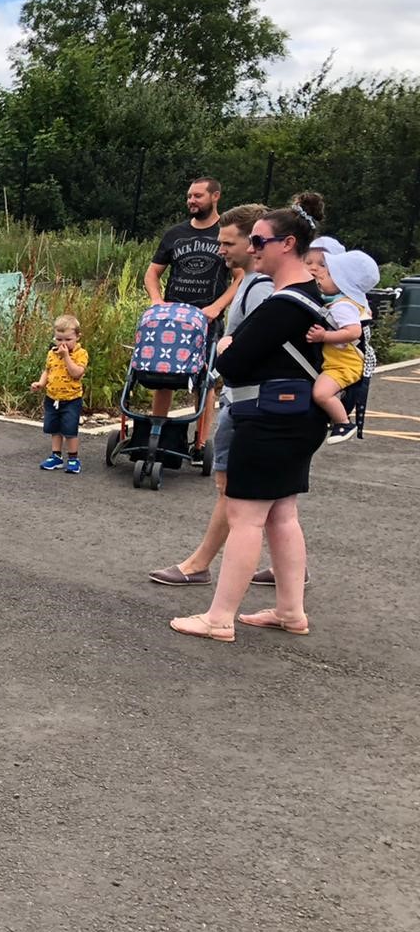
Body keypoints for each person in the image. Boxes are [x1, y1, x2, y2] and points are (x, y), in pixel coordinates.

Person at [170, 194, 328, 643]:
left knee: (245, 516)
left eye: (261, 240)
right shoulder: (308, 297)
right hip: (299, 417)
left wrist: (225, 349)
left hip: (269, 417)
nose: (253, 248)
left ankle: (219, 617)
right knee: (281, 513)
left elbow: (234, 363)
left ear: (287, 243)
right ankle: (289, 610)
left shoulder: (283, 304)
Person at [148, 203, 271, 586]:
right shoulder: (255, 283)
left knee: (234, 491)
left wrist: (226, 349)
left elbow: (263, 347)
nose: (220, 250)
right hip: (249, 399)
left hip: (252, 402)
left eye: (227, 243)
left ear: (254, 243)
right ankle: (291, 568)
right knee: (274, 501)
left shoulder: (262, 289)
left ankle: (199, 567)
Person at [143, 178, 242, 422]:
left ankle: (199, 443)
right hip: (172, 320)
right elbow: (152, 272)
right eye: (189, 196)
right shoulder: (175, 234)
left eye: (198, 196)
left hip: (206, 320)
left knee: (203, 381)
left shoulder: (226, 233)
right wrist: (157, 301)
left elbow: (240, 278)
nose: (191, 201)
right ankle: (158, 430)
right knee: (161, 376)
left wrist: (217, 307)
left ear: (215, 196)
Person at [307, 247, 379, 444]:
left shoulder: (343, 306)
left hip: (344, 364)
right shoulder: (345, 302)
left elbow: (353, 332)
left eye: (328, 273)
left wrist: (324, 336)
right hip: (341, 362)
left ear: (343, 283)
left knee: (321, 393)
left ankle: (343, 422)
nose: (320, 274)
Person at [30, 315, 88, 473]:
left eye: (68, 340)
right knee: (54, 428)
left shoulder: (80, 354)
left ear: (77, 337)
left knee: (70, 430)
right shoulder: (52, 353)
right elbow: (48, 370)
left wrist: (66, 357)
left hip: (71, 399)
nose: (62, 344)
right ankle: (56, 456)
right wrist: (41, 383)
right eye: (59, 339)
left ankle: (73, 458)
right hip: (52, 397)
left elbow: (76, 373)